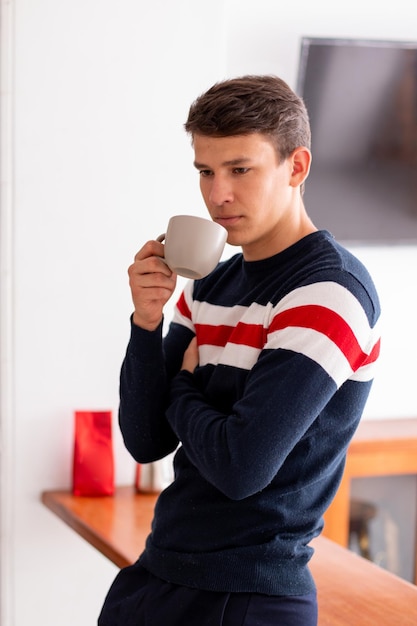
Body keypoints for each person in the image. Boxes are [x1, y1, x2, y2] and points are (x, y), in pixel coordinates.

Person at [98, 75, 381, 626]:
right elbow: (145, 439)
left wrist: (180, 385)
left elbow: (240, 466)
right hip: (159, 575)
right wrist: (146, 322)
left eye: (240, 170)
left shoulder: (329, 293)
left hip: (249, 600)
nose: (216, 194)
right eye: (206, 171)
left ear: (296, 167)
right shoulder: (209, 283)